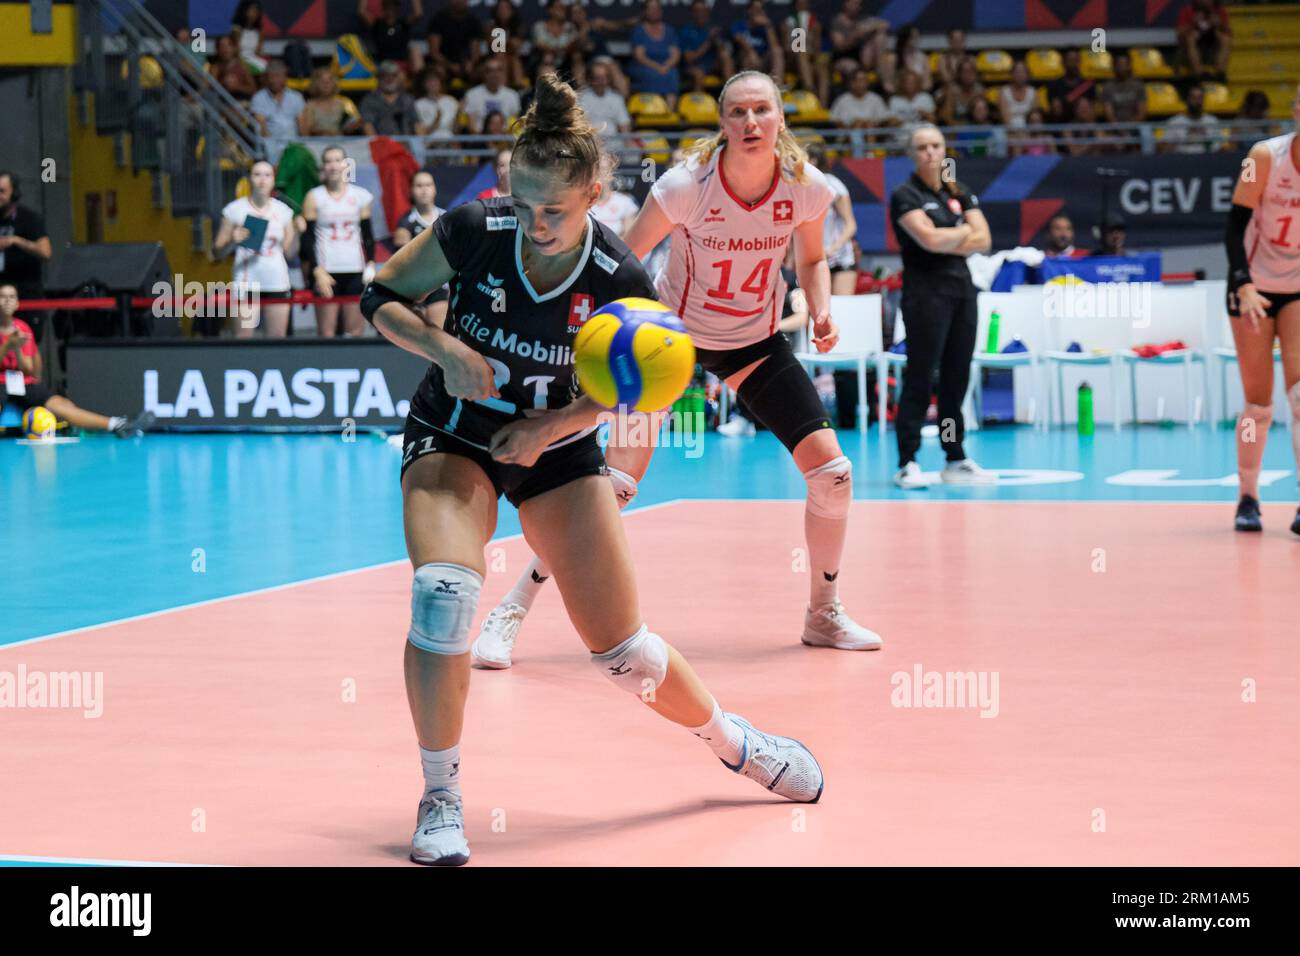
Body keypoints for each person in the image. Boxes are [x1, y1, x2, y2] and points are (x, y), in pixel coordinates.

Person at [359, 73, 825, 866]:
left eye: (557, 210)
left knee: (624, 653)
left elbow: (660, 377)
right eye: (525, 202)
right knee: (444, 596)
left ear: (595, 196)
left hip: (556, 448)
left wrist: (555, 425)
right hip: (454, 433)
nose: (536, 224)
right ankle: (441, 794)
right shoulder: (474, 228)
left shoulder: (617, 275)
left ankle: (734, 742)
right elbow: (381, 295)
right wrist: (445, 349)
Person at [474, 70, 883, 668]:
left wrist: (820, 309)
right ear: (722, 122)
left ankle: (823, 613)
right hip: (669, 344)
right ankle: (510, 610)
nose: (750, 123)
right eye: (737, 112)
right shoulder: (686, 186)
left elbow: (814, 257)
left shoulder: (805, 188)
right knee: (609, 489)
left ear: (780, 120)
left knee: (833, 475)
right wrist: (588, 339)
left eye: (761, 111)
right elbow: (623, 260)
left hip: (756, 342)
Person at [889, 124, 993, 490]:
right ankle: (907, 461)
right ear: (912, 154)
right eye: (922, 147)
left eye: (935, 145)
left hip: (963, 293)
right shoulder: (905, 195)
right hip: (925, 296)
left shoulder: (959, 191)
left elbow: (985, 238)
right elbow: (929, 240)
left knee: (956, 378)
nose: (930, 152)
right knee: (920, 377)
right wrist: (962, 233)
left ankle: (955, 456)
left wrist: (956, 237)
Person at [1224, 86, 1300, 534]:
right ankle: (1247, 495)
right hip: (1252, 281)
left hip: (1296, 286)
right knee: (1259, 404)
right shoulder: (1265, 156)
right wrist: (1243, 283)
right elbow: (1234, 224)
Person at [1, 284, 154, 437]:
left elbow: (28, 369)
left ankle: (117, 424)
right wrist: (7, 345)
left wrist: (16, 349)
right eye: (3, 297)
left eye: (12, 297)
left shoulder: (23, 329)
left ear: (17, 303)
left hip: (22, 383)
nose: (7, 301)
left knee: (61, 404)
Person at [212, 160, 298, 337]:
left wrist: (297, 231)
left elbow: (290, 252)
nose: (262, 180)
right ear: (249, 179)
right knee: (243, 339)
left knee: (277, 337)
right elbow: (216, 252)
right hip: (246, 282)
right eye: (257, 174)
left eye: (267, 175)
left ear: (273, 180)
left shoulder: (283, 211)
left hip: (277, 282)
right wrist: (232, 241)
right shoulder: (235, 210)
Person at [300, 146, 375, 337]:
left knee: (355, 332)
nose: (333, 166)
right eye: (328, 161)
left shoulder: (360, 196)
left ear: (345, 165)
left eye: (337, 160)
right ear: (323, 167)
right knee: (326, 333)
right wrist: (316, 271)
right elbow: (308, 238)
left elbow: (367, 235)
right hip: (326, 271)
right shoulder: (314, 196)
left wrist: (371, 264)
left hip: (355, 270)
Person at [391, 169, 448, 328]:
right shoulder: (405, 224)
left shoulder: (447, 219)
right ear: (411, 190)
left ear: (435, 188)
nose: (424, 189)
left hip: (440, 288)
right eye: (419, 185)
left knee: (440, 337)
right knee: (419, 341)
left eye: (428, 185)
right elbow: (403, 264)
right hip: (415, 290)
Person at [806, 144, 858, 294]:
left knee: (840, 310)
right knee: (810, 312)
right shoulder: (798, 187)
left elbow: (851, 225)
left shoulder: (832, 184)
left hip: (839, 259)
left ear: (814, 161)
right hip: (812, 260)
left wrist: (832, 249)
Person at [629, 0, 682, 113]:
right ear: (645, 11)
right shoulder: (639, 30)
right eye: (651, 9)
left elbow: (675, 53)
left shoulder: (669, 30)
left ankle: (669, 113)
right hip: (644, 66)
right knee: (651, 74)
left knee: (672, 73)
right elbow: (640, 56)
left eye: (657, 8)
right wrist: (657, 67)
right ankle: (653, 112)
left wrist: (666, 66)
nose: (654, 11)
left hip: (665, 66)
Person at [249, 60, 305, 163]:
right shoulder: (258, 98)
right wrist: (274, 149)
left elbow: (302, 127)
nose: (275, 80)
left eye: (279, 76)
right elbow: (262, 129)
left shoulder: (296, 97)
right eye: (272, 76)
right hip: (270, 145)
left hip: (293, 143)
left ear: (285, 77)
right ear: (266, 78)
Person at [679, 0, 735, 93]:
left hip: (711, 65)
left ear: (708, 12)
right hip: (693, 66)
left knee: (725, 57)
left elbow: (726, 51)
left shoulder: (713, 28)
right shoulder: (686, 31)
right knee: (698, 73)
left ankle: (731, 95)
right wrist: (708, 41)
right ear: (692, 13)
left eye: (703, 11)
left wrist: (718, 42)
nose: (701, 14)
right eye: (697, 11)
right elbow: (689, 58)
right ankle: (700, 105)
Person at [426, 0, 483, 86]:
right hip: (444, 63)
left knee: (484, 70)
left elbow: (476, 52)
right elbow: (434, 52)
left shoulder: (473, 21)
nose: (460, 2)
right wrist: (450, 66)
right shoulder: (438, 19)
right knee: (438, 70)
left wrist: (471, 63)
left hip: (466, 63)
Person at [461, 56, 522, 135]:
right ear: (484, 74)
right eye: (490, 71)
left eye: (498, 70)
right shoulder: (472, 94)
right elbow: (471, 125)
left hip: (505, 141)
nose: (494, 74)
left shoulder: (512, 95)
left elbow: (515, 124)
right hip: (480, 140)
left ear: (503, 73)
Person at [358, 0, 424, 73]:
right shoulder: (377, 24)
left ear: (398, 8)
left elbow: (418, 13)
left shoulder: (403, 23)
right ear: (383, 8)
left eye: (394, 6)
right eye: (388, 7)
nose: (391, 9)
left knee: (415, 50)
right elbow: (361, 12)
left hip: (401, 63)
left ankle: (418, 78)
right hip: (383, 64)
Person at [360, 60, 421, 136]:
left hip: (407, 144)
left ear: (399, 78)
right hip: (382, 144)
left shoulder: (407, 99)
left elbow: (417, 125)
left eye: (394, 75)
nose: (390, 79)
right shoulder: (369, 100)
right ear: (378, 78)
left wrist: (420, 144)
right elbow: (367, 126)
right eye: (385, 75)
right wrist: (377, 144)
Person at [298, 68, 364, 136]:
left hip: (341, 143)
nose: (326, 84)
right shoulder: (310, 105)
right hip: (317, 144)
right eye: (322, 81)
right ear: (315, 84)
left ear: (334, 83)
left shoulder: (344, 103)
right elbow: (306, 131)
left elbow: (355, 123)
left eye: (329, 80)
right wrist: (325, 133)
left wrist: (352, 126)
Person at [578, 61, 631, 146]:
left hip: (614, 145)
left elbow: (624, 125)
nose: (602, 81)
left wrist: (628, 143)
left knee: (632, 157)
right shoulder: (581, 98)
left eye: (605, 77)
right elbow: (579, 126)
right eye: (598, 78)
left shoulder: (617, 99)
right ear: (590, 79)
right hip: (590, 143)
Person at [1178, 0, 1232, 80]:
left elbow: (1229, 32)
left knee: (1226, 39)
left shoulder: (1220, 10)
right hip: (1195, 37)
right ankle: (1198, 72)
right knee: (1190, 38)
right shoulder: (1187, 10)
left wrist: (1220, 24)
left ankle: (1219, 72)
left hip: (1213, 38)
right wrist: (1193, 22)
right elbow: (1179, 33)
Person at [730, 1, 783, 82]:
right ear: (749, 11)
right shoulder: (740, 24)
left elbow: (774, 46)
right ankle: (747, 86)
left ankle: (778, 87)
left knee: (777, 51)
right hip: (744, 60)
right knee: (747, 56)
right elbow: (738, 38)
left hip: (763, 61)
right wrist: (751, 51)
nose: (759, 12)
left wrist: (768, 25)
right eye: (756, 9)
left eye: (761, 9)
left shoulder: (765, 28)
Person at [1164, 83, 1224, 154]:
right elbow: (1165, 150)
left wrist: (1205, 139)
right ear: (1187, 100)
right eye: (1194, 98)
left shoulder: (1212, 121)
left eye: (1200, 98)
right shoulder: (1174, 122)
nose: (1197, 102)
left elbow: (1220, 148)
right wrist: (1186, 139)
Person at [1047, 49, 1096, 123]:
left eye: (1076, 60)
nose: (1074, 64)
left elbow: (1092, 112)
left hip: (1084, 124)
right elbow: (1056, 112)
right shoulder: (1054, 85)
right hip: (1063, 124)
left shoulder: (1088, 84)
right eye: (1070, 61)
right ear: (1063, 63)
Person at [1099, 52, 1146, 127]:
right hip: (1114, 129)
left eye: (1124, 65)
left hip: (1136, 127)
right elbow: (1109, 115)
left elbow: (1141, 113)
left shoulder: (1138, 86)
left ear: (1129, 66)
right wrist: (1121, 130)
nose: (1122, 68)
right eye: (1119, 65)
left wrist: (1130, 126)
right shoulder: (1108, 87)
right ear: (1114, 66)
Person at [414, 67, 459, 140]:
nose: (433, 84)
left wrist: (459, 118)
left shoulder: (451, 101)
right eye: (429, 81)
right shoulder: (418, 104)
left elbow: (456, 131)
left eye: (435, 80)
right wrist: (436, 121)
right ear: (423, 84)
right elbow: (421, 134)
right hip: (429, 145)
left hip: (450, 144)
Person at [210, 34, 256, 101]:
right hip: (221, 103)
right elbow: (210, 87)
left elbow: (253, 89)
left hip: (240, 102)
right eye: (221, 46)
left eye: (228, 45)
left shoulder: (243, 66)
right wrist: (223, 83)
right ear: (217, 49)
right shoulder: (215, 67)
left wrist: (237, 87)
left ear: (234, 48)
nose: (225, 49)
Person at [231, 1, 267, 74]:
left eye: (256, 10)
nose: (254, 13)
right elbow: (235, 52)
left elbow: (258, 53)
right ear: (244, 11)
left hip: (254, 60)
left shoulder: (259, 32)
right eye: (252, 10)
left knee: (267, 67)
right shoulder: (236, 30)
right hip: (239, 60)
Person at [999, 61, 1038, 129]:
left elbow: (1035, 118)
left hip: (1030, 132)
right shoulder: (1004, 92)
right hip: (1010, 132)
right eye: (1017, 72)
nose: (1020, 75)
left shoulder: (1033, 92)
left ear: (1027, 75)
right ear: (1011, 74)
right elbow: (1005, 119)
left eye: (1023, 72)